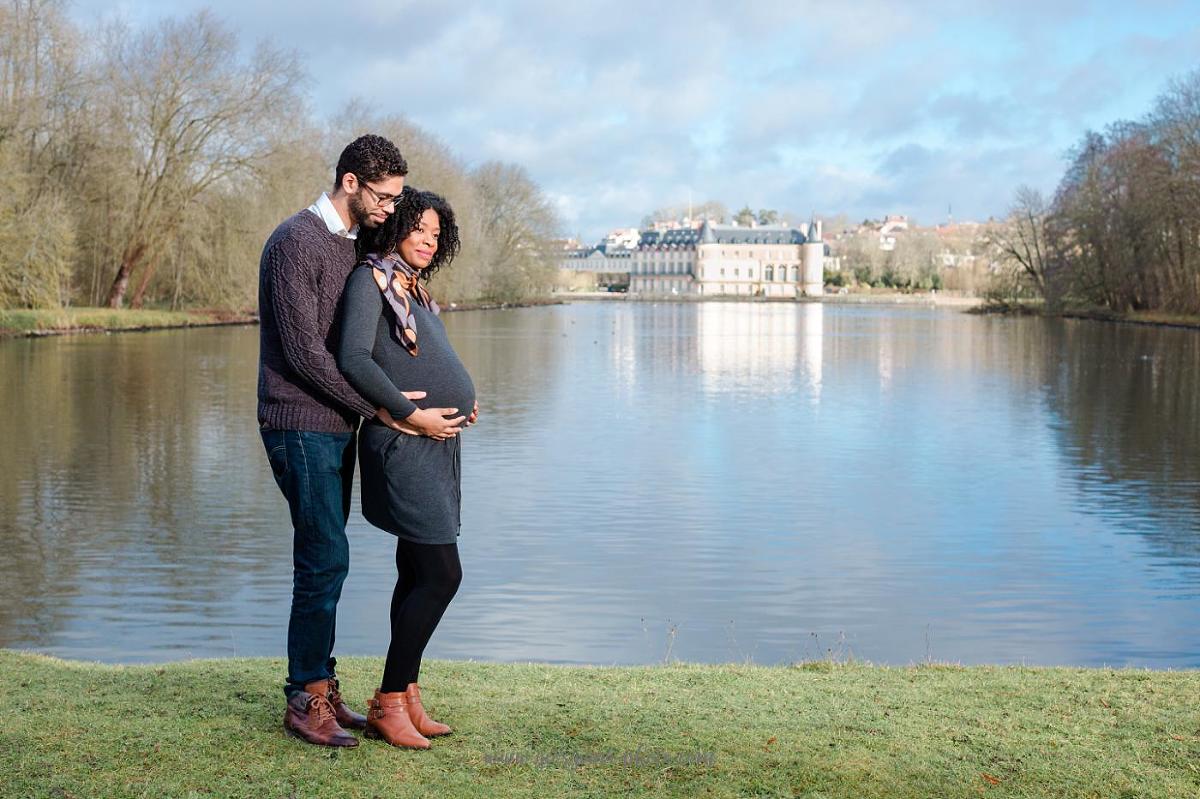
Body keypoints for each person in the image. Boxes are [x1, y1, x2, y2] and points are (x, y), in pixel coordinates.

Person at [258, 135, 464, 748]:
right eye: (385, 196)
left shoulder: (351, 248)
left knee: (330, 556)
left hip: (336, 425)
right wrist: (383, 411)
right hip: (297, 422)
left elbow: (371, 344)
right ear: (351, 182)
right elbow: (303, 354)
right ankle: (306, 698)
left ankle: (325, 686)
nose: (390, 208)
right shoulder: (296, 242)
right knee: (323, 558)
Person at [337, 187, 476, 749]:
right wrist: (409, 412)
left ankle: (408, 693)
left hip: (437, 446)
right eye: (418, 228)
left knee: (416, 574)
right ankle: (388, 701)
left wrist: (466, 394)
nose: (427, 240)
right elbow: (352, 358)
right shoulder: (370, 280)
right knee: (444, 574)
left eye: (436, 234)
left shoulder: (413, 291)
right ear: (394, 227)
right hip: (405, 445)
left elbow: (430, 357)